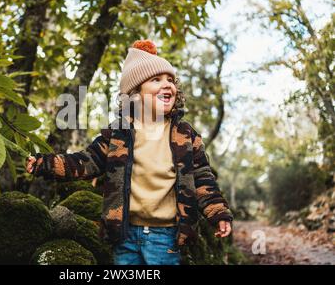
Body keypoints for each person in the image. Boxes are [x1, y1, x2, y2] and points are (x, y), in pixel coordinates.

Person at [26, 40, 233, 265]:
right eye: (156, 79)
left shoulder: (185, 135)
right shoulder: (119, 133)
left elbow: (203, 178)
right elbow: (86, 162)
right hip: (123, 234)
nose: (168, 85)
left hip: (166, 236)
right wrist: (44, 163)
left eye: (170, 80)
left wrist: (218, 213)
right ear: (135, 93)